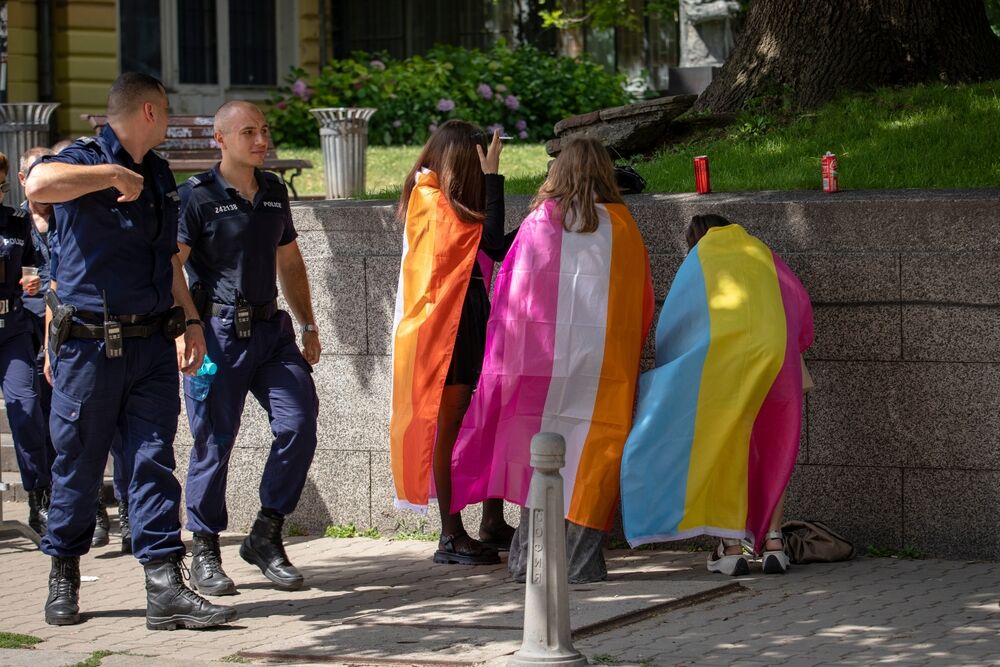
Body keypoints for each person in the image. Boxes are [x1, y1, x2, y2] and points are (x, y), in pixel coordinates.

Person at [25, 72, 237, 629]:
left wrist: (190, 321)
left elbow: (168, 262)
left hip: (150, 343)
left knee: (153, 463)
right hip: (88, 349)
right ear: (148, 112)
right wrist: (111, 174)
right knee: (78, 465)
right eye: (165, 114)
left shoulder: (162, 174)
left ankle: (165, 586)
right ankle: (63, 573)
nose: (167, 125)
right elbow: (37, 185)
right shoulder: (82, 158)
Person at [450, 136, 654, 583]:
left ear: (558, 173)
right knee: (591, 457)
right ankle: (581, 563)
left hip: (539, 370)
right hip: (601, 371)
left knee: (539, 459)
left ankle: (528, 561)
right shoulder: (621, 225)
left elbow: (510, 294)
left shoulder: (541, 221)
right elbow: (640, 303)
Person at [177, 100, 320, 596]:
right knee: (215, 440)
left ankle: (266, 534)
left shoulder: (275, 190)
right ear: (220, 139)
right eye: (248, 132)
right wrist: (187, 325)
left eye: (264, 130)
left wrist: (308, 323)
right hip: (216, 333)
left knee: (299, 422)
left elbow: (290, 259)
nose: (261, 140)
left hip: (271, 333)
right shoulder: (195, 196)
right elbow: (171, 267)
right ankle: (204, 551)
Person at [619, 213, 813, 576]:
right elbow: (797, 301)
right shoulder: (761, 251)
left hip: (725, 366)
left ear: (694, 240)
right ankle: (773, 543)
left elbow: (676, 324)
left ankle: (730, 547)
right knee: (774, 448)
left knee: (726, 448)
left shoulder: (701, 258)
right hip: (778, 360)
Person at [390, 120, 516, 565]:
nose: (482, 166)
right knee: (451, 423)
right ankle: (450, 534)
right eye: (478, 158)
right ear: (464, 160)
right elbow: (495, 242)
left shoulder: (448, 199)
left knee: (487, 415)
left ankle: (492, 521)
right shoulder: (429, 197)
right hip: (446, 328)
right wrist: (494, 176)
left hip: (471, 314)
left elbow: (492, 241)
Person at [19, 146, 131, 553]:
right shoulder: (20, 223)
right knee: (66, 435)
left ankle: (120, 514)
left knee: (112, 431)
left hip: (72, 330)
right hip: (33, 330)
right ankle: (83, 516)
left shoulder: (80, 213)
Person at [0, 151, 48, 537]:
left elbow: (30, 265)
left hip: (12, 327)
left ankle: (39, 497)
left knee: (27, 409)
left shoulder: (16, 222)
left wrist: (28, 282)